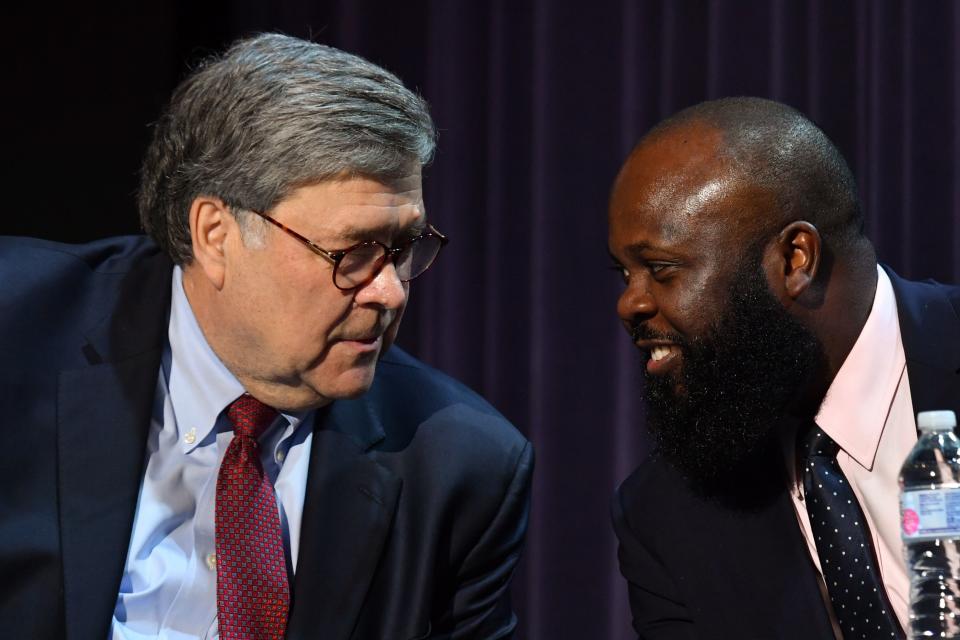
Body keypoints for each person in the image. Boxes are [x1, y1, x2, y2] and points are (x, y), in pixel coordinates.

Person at [0, 33, 532, 640]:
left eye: (405, 248)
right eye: (353, 252)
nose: (390, 292)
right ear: (216, 235)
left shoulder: (461, 466)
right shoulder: (17, 330)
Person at [608, 97, 960, 639]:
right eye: (624, 274)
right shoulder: (664, 516)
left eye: (661, 269)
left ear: (796, 258)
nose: (630, 304)